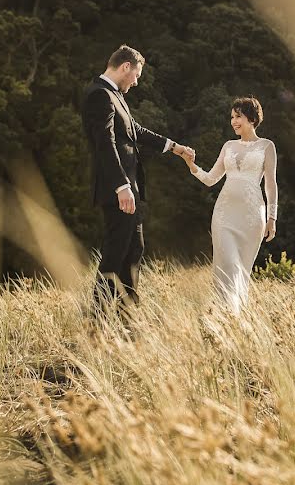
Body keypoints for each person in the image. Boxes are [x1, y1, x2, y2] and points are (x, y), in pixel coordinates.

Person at [82, 44, 193, 322]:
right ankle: (96, 319)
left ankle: (127, 315)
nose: (137, 81)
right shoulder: (100, 95)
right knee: (116, 252)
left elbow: (136, 131)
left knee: (134, 249)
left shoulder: (114, 95)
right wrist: (122, 186)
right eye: (136, 75)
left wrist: (175, 147)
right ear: (125, 67)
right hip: (117, 190)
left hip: (129, 188)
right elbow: (104, 144)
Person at [178, 97, 278, 314]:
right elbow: (211, 179)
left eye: (238, 116)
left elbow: (271, 184)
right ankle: (222, 316)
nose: (233, 121)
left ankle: (236, 320)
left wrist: (272, 218)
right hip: (224, 216)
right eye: (232, 117)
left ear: (251, 118)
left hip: (253, 217)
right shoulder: (228, 146)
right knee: (227, 266)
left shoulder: (267, 146)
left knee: (242, 270)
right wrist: (191, 164)